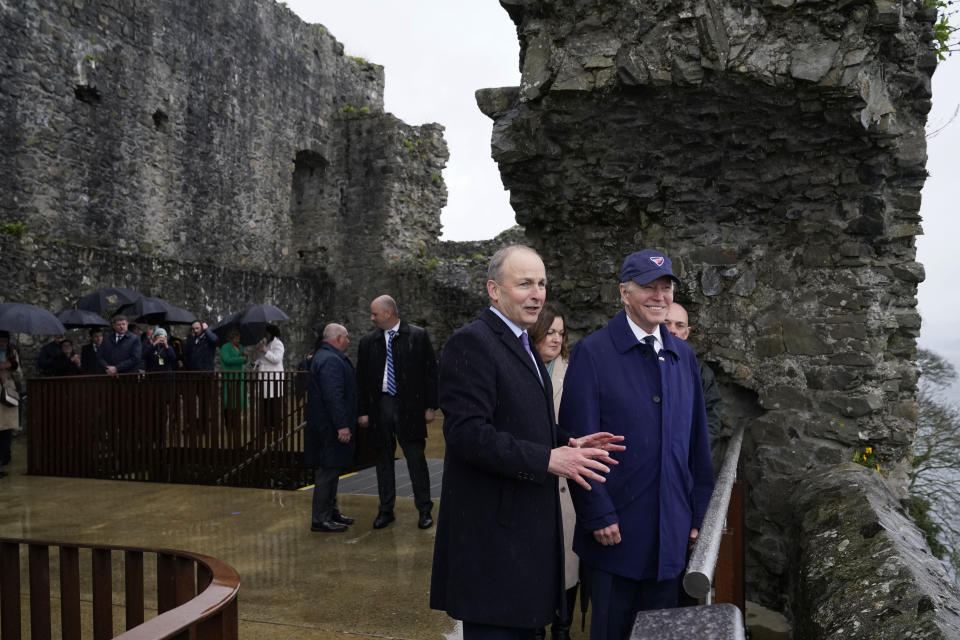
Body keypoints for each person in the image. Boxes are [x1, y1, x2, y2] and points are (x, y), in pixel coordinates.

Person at [430, 245, 625, 640]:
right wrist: (548, 459)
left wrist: (569, 440)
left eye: (541, 284)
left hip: (522, 541)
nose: (537, 294)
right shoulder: (473, 343)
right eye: (524, 284)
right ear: (494, 290)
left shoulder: (521, 342)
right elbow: (467, 434)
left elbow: (523, 422)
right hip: (494, 547)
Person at [559, 249, 714, 640]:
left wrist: (699, 515)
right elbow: (576, 443)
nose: (659, 296)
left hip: (671, 537)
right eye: (649, 287)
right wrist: (597, 514)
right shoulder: (592, 354)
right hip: (616, 536)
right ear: (624, 293)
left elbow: (697, 444)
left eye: (666, 287)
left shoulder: (683, 356)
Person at [356, 295, 438, 530]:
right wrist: (362, 411)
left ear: (388, 313)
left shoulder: (417, 336)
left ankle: (424, 510)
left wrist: (430, 406)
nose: (371, 318)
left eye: (374, 314)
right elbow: (360, 379)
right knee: (383, 460)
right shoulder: (367, 342)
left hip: (410, 407)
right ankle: (385, 510)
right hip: (380, 406)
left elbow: (430, 372)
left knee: (415, 459)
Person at [529, 302, 577, 640]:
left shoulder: (572, 372)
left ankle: (563, 627)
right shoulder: (520, 368)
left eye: (561, 333)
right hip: (529, 476)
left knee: (568, 563)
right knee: (534, 564)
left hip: (563, 483)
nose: (556, 338)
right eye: (550, 331)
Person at [304, 323, 357, 533]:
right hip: (329, 427)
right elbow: (333, 395)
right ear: (336, 339)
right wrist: (342, 425)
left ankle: (331, 512)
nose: (348, 341)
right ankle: (320, 518)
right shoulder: (330, 360)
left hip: (326, 425)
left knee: (333, 469)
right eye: (346, 337)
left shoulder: (326, 357)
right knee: (328, 471)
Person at [665, 303, 723, 442]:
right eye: (666, 323)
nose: (672, 330)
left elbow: (712, 417)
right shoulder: (636, 364)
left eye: (679, 325)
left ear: (686, 332)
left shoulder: (700, 372)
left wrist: (695, 454)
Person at [254, 325, 285, 430]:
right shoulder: (267, 343)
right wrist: (256, 362)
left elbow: (276, 359)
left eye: (267, 333)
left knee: (274, 401)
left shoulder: (278, 344)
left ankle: (275, 424)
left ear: (271, 333)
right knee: (266, 402)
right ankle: (266, 424)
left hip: (273, 377)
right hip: (266, 377)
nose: (265, 335)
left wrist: (265, 351)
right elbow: (264, 359)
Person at [0, 331, 20, 478]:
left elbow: (20, 373)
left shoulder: (12, 353)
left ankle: (5, 457)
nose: (3, 343)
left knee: (7, 427)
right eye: (0, 340)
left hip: (9, 392)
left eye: (5, 341)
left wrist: (12, 365)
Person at [220, 329, 248, 417]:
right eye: (236, 339)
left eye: (238, 338)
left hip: (240, 377)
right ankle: (229, 420)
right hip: (230, 376)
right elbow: (227, 360)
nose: (238, 340)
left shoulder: (240, 347)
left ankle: (237, 418)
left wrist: (246, 356)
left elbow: (245, 360)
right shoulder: (225, 347)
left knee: (239, 399)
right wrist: (241, 359)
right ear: (231, 339)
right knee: (229, 399)